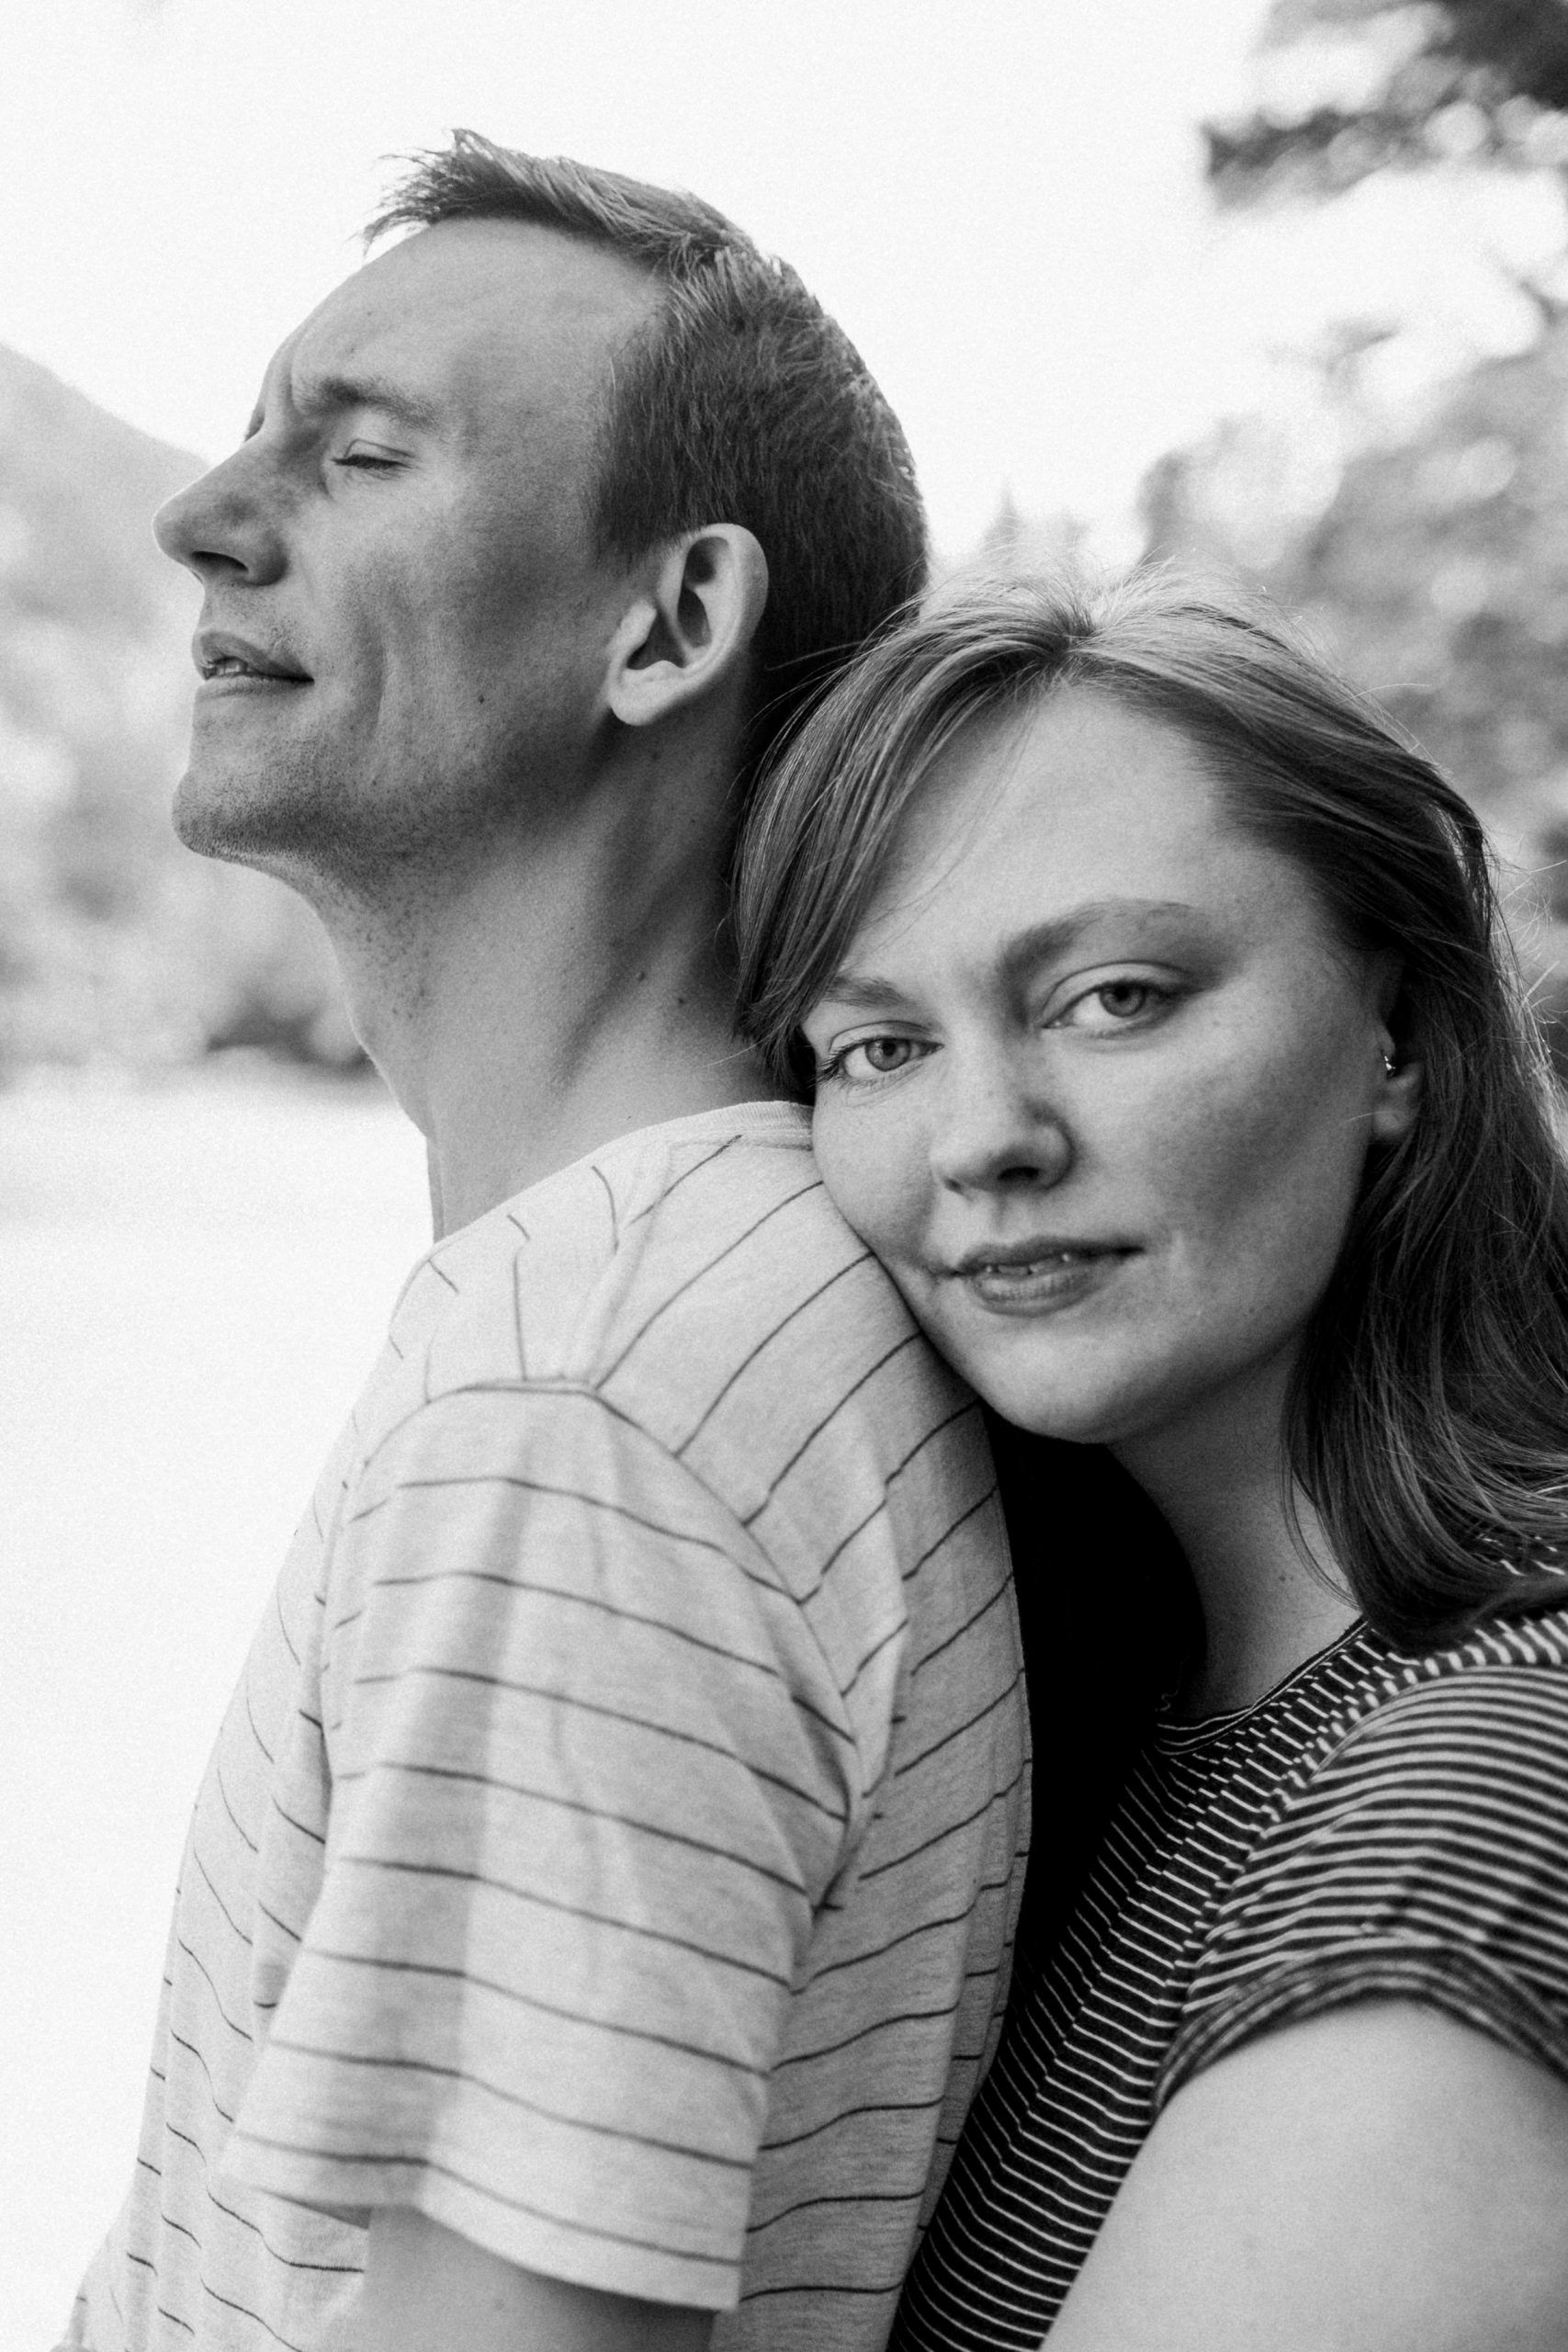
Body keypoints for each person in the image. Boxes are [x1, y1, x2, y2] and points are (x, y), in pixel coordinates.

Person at [61, 134, 1050, 2352]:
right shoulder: (711, 1279)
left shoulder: (590, 1398)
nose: (203, 511)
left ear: (670, 620)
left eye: (361, 451)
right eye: (248, 431)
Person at [733, 567, 1568, 2352]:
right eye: (877, 1043)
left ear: (1395, 1041)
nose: (984, 1138)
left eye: (1113, 995)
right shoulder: (1109, 1719)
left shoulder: (1475, 1789)